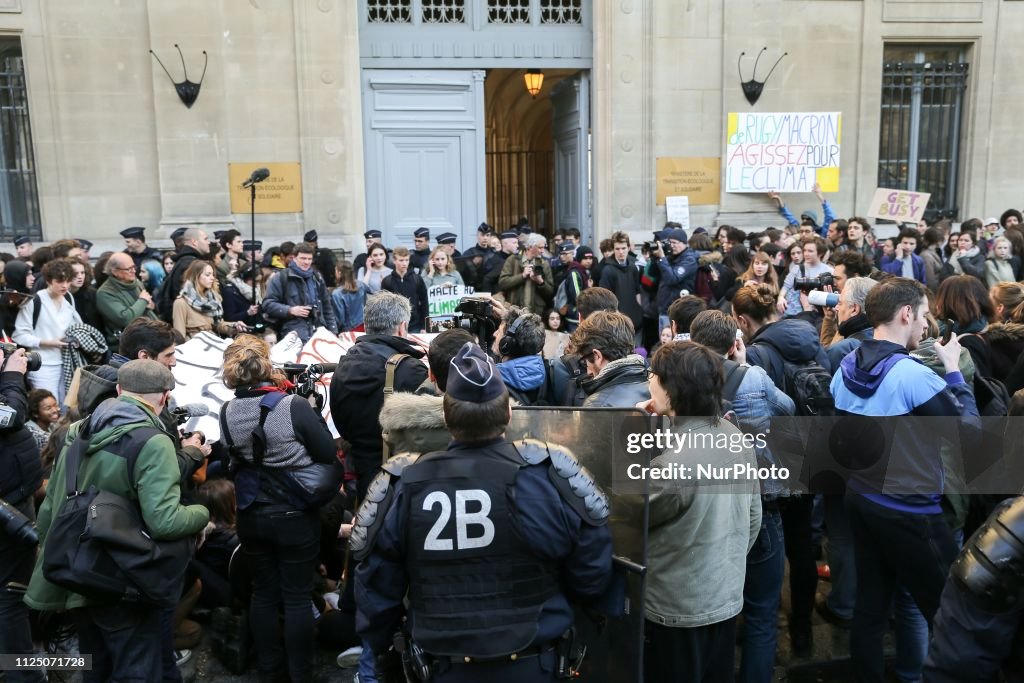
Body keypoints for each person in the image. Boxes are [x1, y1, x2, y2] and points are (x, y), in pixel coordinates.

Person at [352, 341, 613, 683]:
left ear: (445, 415)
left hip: (443, 666)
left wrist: (382, 643)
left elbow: (376, 591)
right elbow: (593, 567)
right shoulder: (549, 477)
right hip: (534, 663)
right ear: (508, 413)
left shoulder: (405, 485)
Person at [830, 278, 979, 681]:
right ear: (906, 314)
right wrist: (952, 370)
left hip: (861, 499)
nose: (928, 326)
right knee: (951, 614)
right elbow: (970, 436)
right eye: (925, 315)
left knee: (871, 607)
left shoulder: (843, 368)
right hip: (911, 511)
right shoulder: (914, 376)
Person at [25, 360, 210, 683]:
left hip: (75, 570)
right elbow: (164, 521)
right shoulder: (154, 442)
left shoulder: (77, 431)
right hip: (122, 576)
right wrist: (202, 515)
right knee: (136, 668)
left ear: (121, 390)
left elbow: (50, 506)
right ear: (165, 397)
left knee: (95, 667)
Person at [219, 336, 341, 683]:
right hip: (293, 513)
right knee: (298, 596)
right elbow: (327, 454)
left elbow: (233, 458)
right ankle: (301, 674)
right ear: (266, 365)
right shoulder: (291, 406)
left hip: (251, 512)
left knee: (264, 593)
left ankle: (270, 672)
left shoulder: (227, 411)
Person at [638, 341, 761, 682]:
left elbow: (629, 520)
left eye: (655, 376)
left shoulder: (672, 468)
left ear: (673, 389)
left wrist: (631, 429)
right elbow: (753, 519)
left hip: (675, 610)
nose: (649, 380)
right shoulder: (734, 437)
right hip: (724, 598)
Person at [688, 310, 795, 682]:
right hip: (760, 499)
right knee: (762, 612)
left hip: (705, 503)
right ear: (734, 343)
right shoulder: (753, 377)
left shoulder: (682, 379)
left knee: (711, 605)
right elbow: (789, 408)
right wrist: (746, 366)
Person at [330, 291, 428, 499]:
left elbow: (340, 423)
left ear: (367, 325)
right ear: (402, 326)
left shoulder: (343, 365)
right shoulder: (411, 369)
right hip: (404, 476)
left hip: (361, 474)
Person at [0, 347, 44, 683]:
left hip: (15, 499)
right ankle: (22, 673)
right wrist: (12, 374)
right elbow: (8, 416)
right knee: (10, 594)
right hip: (8, 511)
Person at [13, 258, 82, 404]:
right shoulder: (35, 301)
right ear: (49, 280)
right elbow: (19, 335)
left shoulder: (68, 298)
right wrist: (47, 343)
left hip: (67, 361)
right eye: (59, 281)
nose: (65, 285)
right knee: (48, 408)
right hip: (42, 364)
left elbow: (76, 326)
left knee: (66, 408)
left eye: (68, 280)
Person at [568, 310, 649, 407]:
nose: (588, 372)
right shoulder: (657, 391)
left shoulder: (597, 404)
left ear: (597, 356)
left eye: (585, 363)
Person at [262, 242, 339, 343]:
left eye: (309, 259)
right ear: (294, 258)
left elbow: (327, 306)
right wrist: (290, 310)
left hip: (319, 334)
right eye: (303, 258)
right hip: (292, 336)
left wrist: (333, 331)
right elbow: (267, 304)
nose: (306, 262)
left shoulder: (317, 277)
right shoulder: (280, 277)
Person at [491, 305, 550, 405]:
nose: (494, 334)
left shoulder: (492, 382)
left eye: (499, 331)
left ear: (507, 343)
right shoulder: (549, 372)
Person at [651, 227, 698, 331]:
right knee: (665, 343)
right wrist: (656, 258)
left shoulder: (689, 260)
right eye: (670, 242)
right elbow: (652, 275)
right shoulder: (670, 257)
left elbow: (673, 278)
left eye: (675, 242)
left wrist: (662, 258)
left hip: (678, 312)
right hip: (664, 309)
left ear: (684, 243)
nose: (671, 246)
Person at [598, 231, 644, 336]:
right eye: (617, 249)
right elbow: (605, 298)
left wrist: (641, 311)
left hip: (636, 320)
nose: (621, 252)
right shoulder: (607, 270)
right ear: (613, 250)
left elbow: (638, 292)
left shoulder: (633, 267)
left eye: (623, 248)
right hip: (618, 323)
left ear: (628, 248)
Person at [498, 233, 554, 316]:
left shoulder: (544, 264)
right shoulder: (513, 260)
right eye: (540, 247)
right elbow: (502, 283)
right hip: (514, 312)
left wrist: (540, 282)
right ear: (530, 247)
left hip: (536, 313)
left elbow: (550, 292)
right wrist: (522, 276)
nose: (543, 251)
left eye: (543, 247)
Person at [161, 228, 211, 318]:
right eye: (205, 239)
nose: (209, 242)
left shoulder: (186, 261)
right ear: (194, 242)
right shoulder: (190, 264)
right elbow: (190, 297)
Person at [777, 236, 834, 316]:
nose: (806, 254)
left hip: (820, 313)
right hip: (797, 312)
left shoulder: (829, 271)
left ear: (820, 253)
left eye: (810, 251)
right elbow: (786, 286)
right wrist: (781, 298)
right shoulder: (797, 269)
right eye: (804, 250)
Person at [381, 246, 429, 333]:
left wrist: (424, 326)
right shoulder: (387, 281)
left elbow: (424, 303)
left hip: (415, 324)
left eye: (406, 260)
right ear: (394, 260)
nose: (404, 263)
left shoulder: (417, 279)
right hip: (394, 325)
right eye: (401, 260)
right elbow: (383, 306)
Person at [331, 260, 367, 332]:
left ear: (339, 273)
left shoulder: (337, 294)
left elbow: (339, 319)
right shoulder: (361, 285)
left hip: (348, 330)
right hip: (363, 326)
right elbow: (365, 304)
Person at [481, 230, 520, 294]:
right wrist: (488, 300)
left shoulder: (515, 258)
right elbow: (487, 280)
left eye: (517, 243)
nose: (517, 245)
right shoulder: (495, 260)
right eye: (514, 243)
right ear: (505, 243)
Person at [25, 387, 59, 452]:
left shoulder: (51, 425)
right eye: (48, 408)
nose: (55, 410)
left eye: (55, 405)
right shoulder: (36, 436)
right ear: (35, 413)